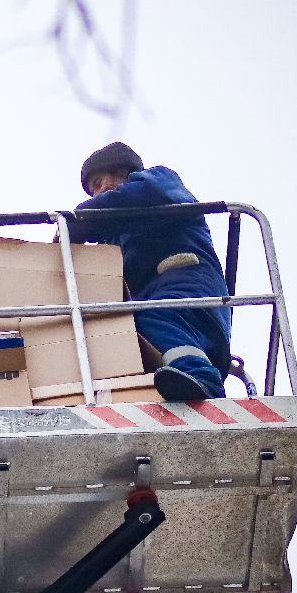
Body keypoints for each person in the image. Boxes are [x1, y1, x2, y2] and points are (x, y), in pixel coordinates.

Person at [69, 142, 232, 401]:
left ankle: (202, 379)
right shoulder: (113, 239)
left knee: (154, 314)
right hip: (162, 309)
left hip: (187, 288)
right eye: (94, 188)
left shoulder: (159, 181)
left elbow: (145, 194)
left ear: (123, 172)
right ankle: (177, 381)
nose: (99, 191)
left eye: (101, 181)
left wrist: (80, 220)